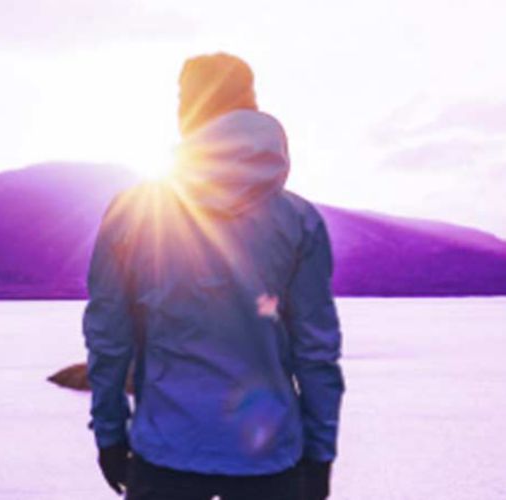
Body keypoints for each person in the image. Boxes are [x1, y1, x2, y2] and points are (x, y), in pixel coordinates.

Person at [82, 53, 345, 499]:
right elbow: (315, 351)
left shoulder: (134, 212)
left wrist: (109, 435)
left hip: (164, 454)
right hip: (271, 458)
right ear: (251, 103)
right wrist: (321, 454)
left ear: (188, 107)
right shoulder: (299, 221)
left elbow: (109, 339)